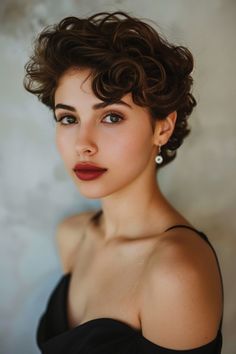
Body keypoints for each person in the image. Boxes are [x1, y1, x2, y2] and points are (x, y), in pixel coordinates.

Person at [24, 10, 224, 354]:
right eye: (68, 118)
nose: (83, 143)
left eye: (111, 116)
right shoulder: (72, 236)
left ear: (162, 127)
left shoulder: (177, 271)